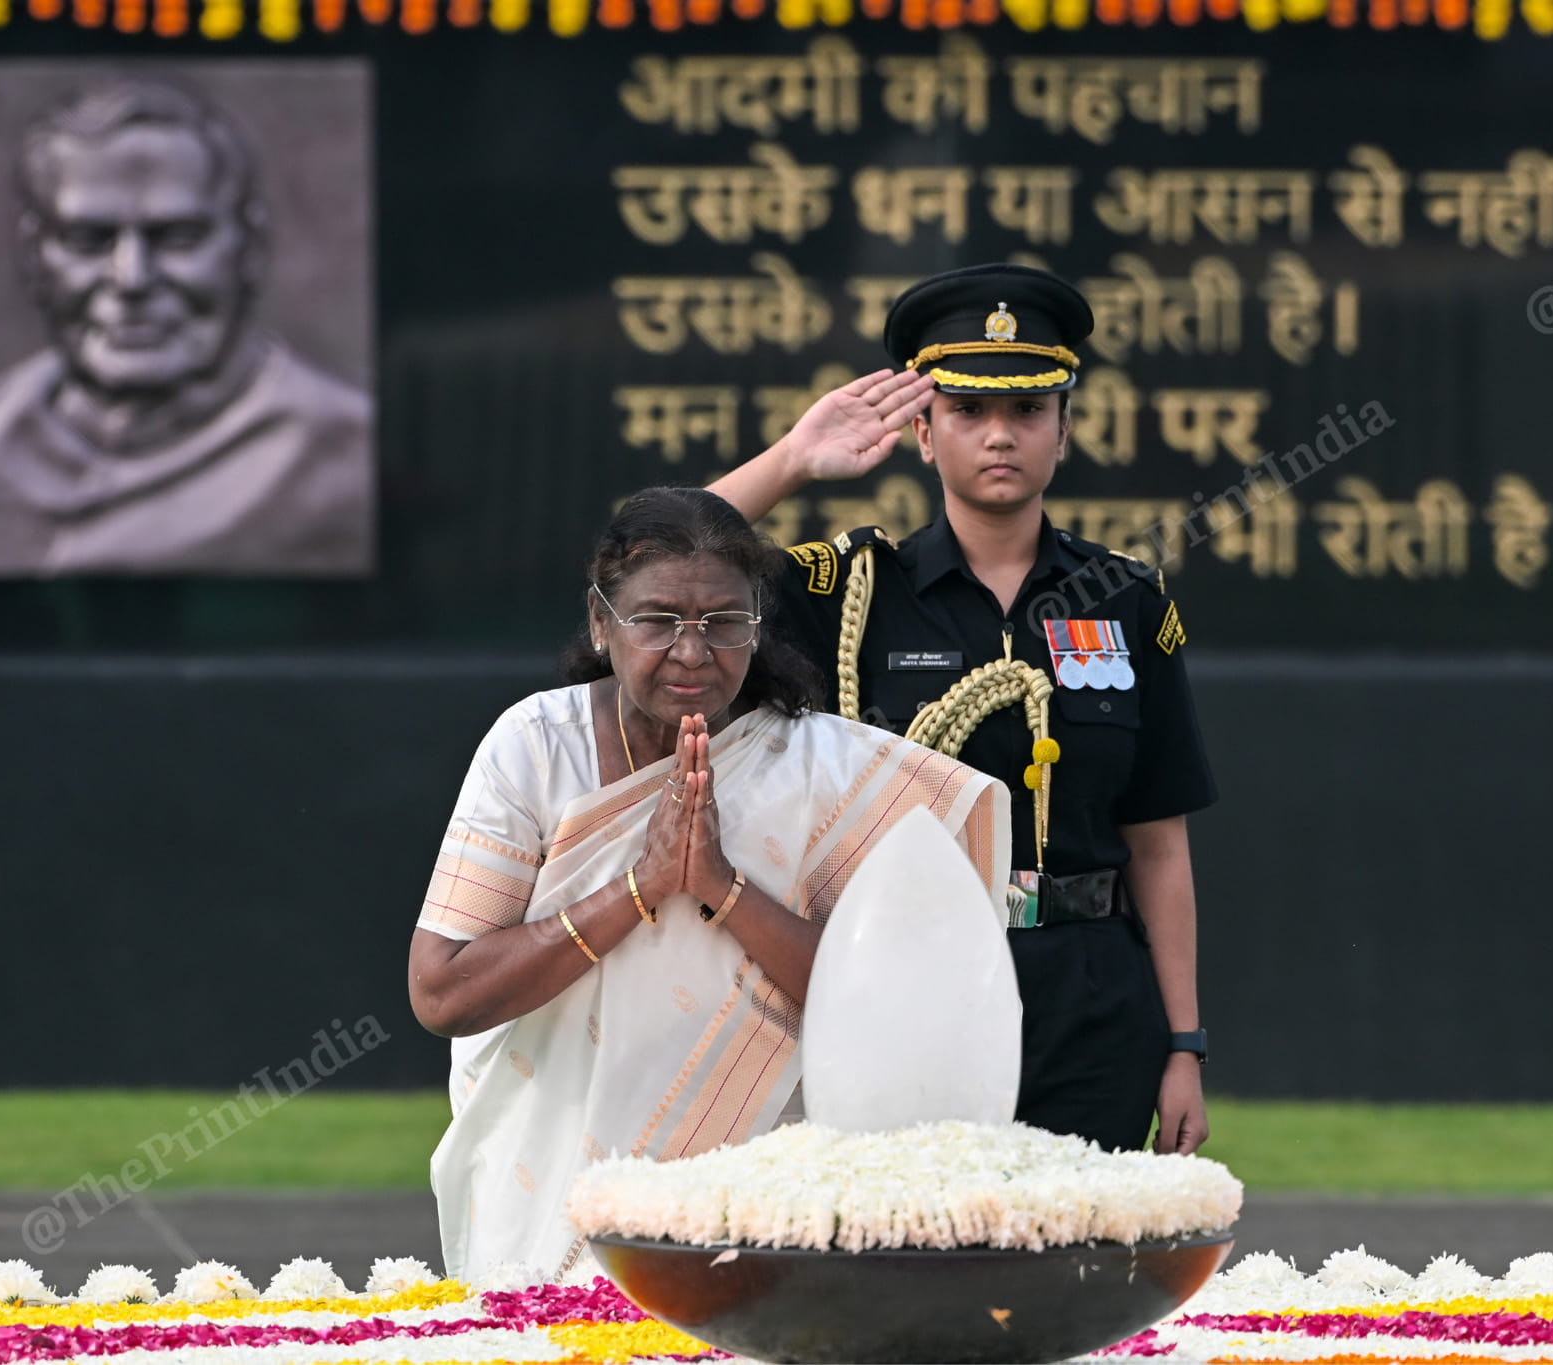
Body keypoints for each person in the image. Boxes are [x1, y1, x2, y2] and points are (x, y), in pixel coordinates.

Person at [408, 487, 1010, 1280]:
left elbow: (894, 1010)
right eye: (657, 620)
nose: (692, 652)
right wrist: (641, 887)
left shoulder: (819, 768)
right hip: (548, 1191)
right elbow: (443, 992)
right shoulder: (536, 749)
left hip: (754, 1198)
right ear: (601, 623)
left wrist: (724, 890)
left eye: (723, 622)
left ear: (756, 625)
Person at [709, 263, 1217, 1156]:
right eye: (968, 410)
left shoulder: (1128, 600)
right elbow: (659, 560)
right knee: (918, 1231)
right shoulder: (852, 589)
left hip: (1092, 994)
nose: (1000, 435)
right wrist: (792, 458)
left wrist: (1184, 1044)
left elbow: (1158, 844)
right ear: (922, 430)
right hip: (907, 980)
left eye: (1028, 411)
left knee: (1076, 1236)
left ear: (1065, 429)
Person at [0, 79, 372, 577]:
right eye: (88, 240)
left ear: (250, 248)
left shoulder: (352, 462)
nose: (132, 278)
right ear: (35, 257)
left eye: (179, 237)